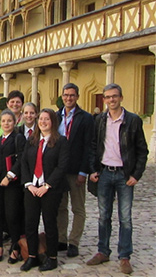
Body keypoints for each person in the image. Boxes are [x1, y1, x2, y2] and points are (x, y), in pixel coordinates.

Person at [87, 83, 148, 275]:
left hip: (124, 175)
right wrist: (93, 170)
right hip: (105, 172)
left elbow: (142, 150)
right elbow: (93, 146)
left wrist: (136, 174)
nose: (111, 100)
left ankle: (124, 256)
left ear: (121, 98)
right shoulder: (100, 120)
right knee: (104, 216)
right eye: (107, 97)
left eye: (114, 96)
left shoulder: (133, 120)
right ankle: (103, 251)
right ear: (104, 99)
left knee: (126, 218)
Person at [20, 109, 69, 272]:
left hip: (50, 189)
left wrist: (47, 186)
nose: (43, 122)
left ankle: (52, 257)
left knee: (50, 223)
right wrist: (29, 184)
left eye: (47, 119)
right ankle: (32, 256)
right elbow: (24, 163)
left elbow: (62, 166)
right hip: (32, 188)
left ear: (53, 122)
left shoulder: (61, 141)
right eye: (40, 119)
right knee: (30, 223)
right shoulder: (32, 140)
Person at [56, 83, 94, 257]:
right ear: (62, 96)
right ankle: (61, 239)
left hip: (77, 170)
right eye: (66, 95)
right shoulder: (55, 116)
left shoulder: (85, 118)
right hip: (60, 170)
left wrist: (84, 171)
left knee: (78, 208)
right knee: (60, 207)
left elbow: (89, 146)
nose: (68, 98)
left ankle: (74, 242)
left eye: (72, 95)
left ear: (77, 96)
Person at [0, 109, 26, 264]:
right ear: (0, 122)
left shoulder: (18, 138)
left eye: (9, 120)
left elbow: (22, 160)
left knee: (12, 215)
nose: (6, 123)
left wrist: (10, 176)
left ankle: (15, 247)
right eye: (4, 120)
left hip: (12, 183)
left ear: (14, 123)